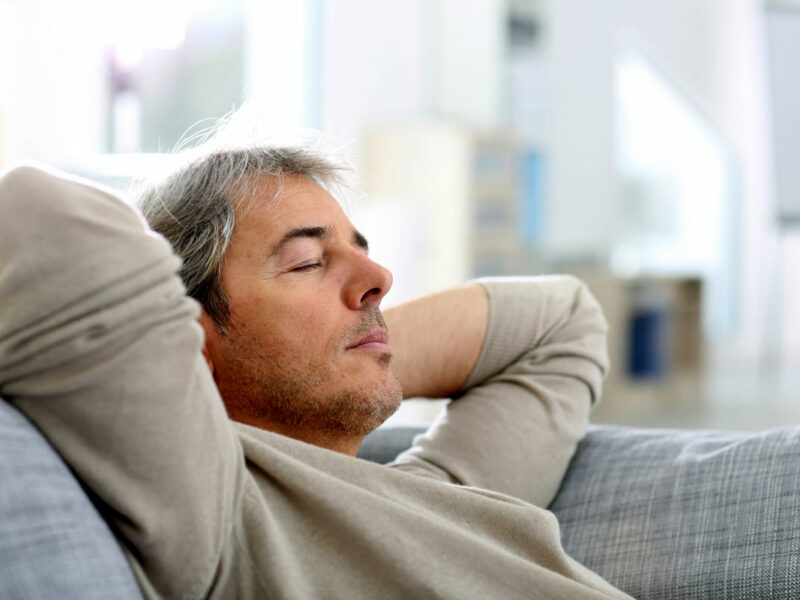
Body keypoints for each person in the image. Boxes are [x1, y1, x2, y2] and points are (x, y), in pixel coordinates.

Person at [0, 151, 631, 598]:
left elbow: (563, 323)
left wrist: (354, 351)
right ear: (187, 343)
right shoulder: (219, 510)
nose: (379, 277)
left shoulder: (439, 492)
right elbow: (31, 215)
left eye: (360, 248)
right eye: (306, 261)